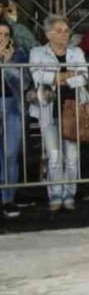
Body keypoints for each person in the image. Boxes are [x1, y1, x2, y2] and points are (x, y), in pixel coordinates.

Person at [29, 15, 88, 212]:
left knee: (72, 155)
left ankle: (69, 194)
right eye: (59, 31)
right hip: (49, 109)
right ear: (48, 34)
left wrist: (58, 78)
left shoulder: (76, 52)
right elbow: (38, 76)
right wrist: (65, 76)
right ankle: (55, 195)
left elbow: (83, 77)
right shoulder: (37, 52)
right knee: (54, 155)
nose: (64, 34)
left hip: (72, 107)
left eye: (66, 30)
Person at [0, 20, 28, 218]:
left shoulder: (18, 54)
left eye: (5, 35)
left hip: (12, 106)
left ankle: (8, 199)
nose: (2, 39)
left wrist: (7, 64)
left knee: (10, 154)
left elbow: (24, 83)